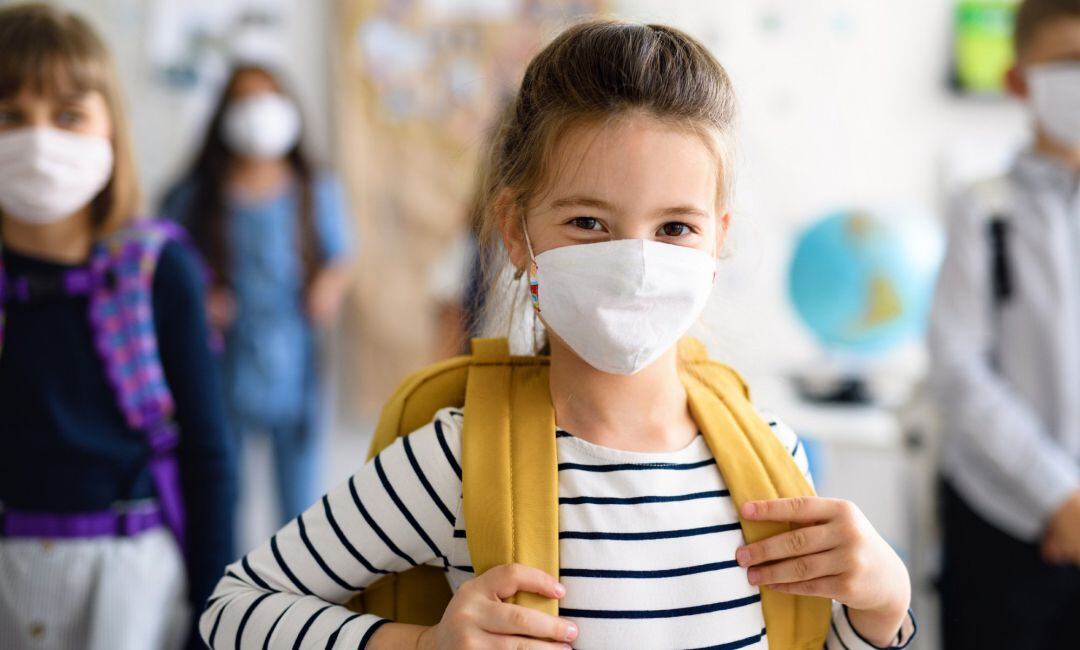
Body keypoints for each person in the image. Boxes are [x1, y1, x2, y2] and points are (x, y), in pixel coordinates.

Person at [200, 20, 916, 649]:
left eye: (675, 228)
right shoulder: (455, 458)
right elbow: (233, 610)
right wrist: (424, 646)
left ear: (717, 240)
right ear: (515, 232)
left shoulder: (772, 459)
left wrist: (884, 607)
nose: (636, 262)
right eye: (587, 223)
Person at [0, 4, 235, 650]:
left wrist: (211, 618)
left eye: (67, 115)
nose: (38, 139)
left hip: (130, 582)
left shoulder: (159, 272)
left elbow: (209, 459)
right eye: (10, 116)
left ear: (109, 131)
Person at [930, 0, 1080, 647]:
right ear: (1020, 82)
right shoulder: (983, 207)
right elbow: (960, 370)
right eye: (1070, 62)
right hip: (1003, 521)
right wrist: (1060, 497)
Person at [162, 64, 354, 525]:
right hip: (221, 356)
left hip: (296, 355)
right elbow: (163, 259)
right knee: (220, 482)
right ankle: (220, 585)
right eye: (244, 101)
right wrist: (198, 299)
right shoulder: (197, 194)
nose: (258, 113)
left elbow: (341, 257)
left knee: (299, 490)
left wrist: (327, 288)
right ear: (224, 115)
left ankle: (294, 587)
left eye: (268, 98)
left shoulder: (314, 188)